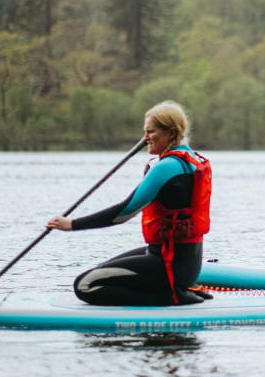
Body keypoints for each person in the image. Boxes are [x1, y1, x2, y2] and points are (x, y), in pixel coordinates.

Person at [46, 101, 212, 306]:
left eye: (151, 131)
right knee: (102, 269)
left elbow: (125, 212)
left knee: (85, 284)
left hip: (169, 264)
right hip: (185, 263)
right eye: (145, 132)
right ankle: (180, 287)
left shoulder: (167, 166)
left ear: (170, 133)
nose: (145, 138)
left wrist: (72, 225)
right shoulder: (192, 159)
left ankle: (172, 296)